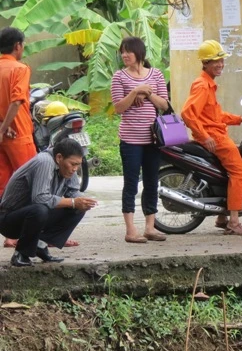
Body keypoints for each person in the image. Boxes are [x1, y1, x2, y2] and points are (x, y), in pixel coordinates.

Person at [181, 40, 242, 236]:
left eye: (221, 60)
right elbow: (188, 113)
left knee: (227, 173)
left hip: (217, 133)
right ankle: (234, 221)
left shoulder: (208, 84)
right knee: (240, 173)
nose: (220, 64)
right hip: (215, 137)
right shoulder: (202, 85)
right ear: (205, 63)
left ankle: (222, 217)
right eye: (215, 61)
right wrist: (204, 136)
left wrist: (241, 119)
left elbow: (216, 115)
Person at [0, 138, 97, 267]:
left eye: (78, 164)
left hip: (35, 215)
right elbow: (40, 198)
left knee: (78, 208)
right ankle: (21, 254)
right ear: (59, 157)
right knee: (41, 209)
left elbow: (73, 192)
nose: (75, 169)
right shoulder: (44, 162)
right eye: (73, 164)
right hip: (9, 220)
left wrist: (83, 201)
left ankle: (41, 244)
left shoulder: (68, 166)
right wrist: (74, 201)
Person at [111, 36, 170, 244]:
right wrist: (135, 91)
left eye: (128, 51)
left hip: (153, 139)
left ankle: (150, 227)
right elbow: (119, 107)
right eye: (122, 52)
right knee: (131, 184)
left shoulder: (156, 74)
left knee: (152, 182)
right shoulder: (119, 77)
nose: (124, 55)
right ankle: (130, 230)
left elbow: (164, 104)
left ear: (140, 53)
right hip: (130, 139)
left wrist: (147, 93)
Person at [0, 28, 37, 249]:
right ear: (18, 46)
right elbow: (16, 101)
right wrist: (4, 128)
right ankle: (33, 235)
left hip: (3, 138)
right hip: (18, 134)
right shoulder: (20, 69)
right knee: (32, 184)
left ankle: (9, 235)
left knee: (5, 187)